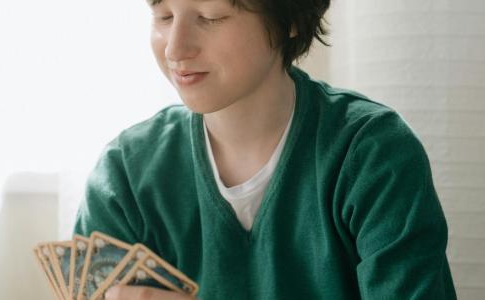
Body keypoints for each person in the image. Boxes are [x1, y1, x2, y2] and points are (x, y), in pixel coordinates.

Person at [74, 0, 457, 298]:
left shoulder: (372, 153)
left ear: (289, 17)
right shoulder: (125, 171)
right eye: (163, 15)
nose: (176, 49)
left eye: (211, 16)